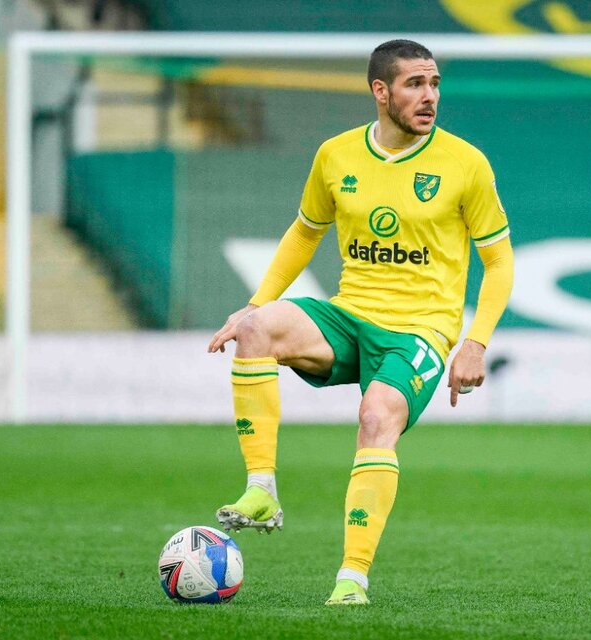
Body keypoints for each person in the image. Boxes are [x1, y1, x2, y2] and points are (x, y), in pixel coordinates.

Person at [207, 39, 514, 606]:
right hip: (350, 315)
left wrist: (474, 343)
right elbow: (305, 232)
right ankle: (261, 490)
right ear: (381, 92)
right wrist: (254, 303)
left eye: (435, 84)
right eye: (415, 85)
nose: (429, 97)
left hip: (419, 332)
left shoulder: (465, 164)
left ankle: (352, 579)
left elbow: (498, 261)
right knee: (255, 331)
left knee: (376, 416)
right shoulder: (336, 155)